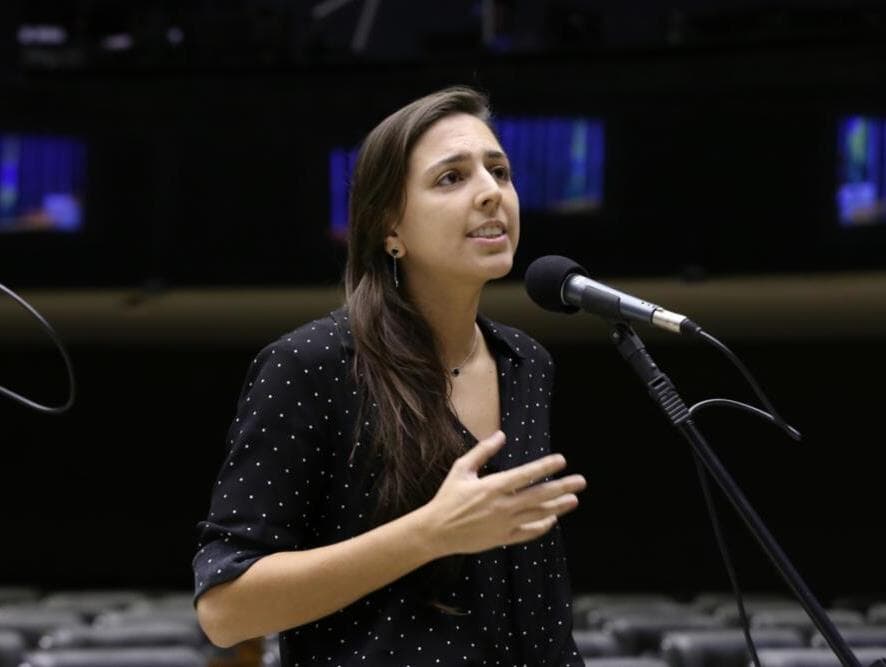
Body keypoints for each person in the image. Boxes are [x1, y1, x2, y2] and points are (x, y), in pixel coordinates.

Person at [193, 85, 588, 666]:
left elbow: (536, 598)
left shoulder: (525, 363)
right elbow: (226, 610)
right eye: (451, 178)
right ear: (390, 229)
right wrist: (431, 533)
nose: (490, 192)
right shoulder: (312, 365)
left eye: (499, 172)